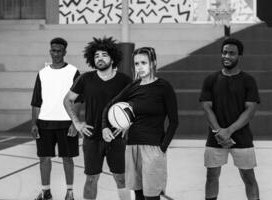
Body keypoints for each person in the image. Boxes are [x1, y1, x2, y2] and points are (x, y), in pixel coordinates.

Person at [101, 47, 179, 200]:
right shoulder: (133, 87)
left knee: (151, 196)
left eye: (144, 62)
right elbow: (109, 105)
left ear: (153, 63)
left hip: (154, 148)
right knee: (138, 195)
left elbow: (174, 121)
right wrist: (105, 127)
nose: (140, 67)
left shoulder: (163, 87)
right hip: (132, 147)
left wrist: (162, 148)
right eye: (136, 64)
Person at [63, 37, 132, 200]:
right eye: (96, 56)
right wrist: (77, 123)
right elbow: (67, 100)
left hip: (116, 137)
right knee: (91, 178)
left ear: (112, 58)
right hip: (92, 137)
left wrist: (127, 125)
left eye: (104, 55)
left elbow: (135, 105)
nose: (100, 58)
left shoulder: (124, 80)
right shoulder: (86, 79)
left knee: (121, 178)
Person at [199, 38, 260, 200]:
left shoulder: (248, 80)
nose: (227, 56)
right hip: (215, 137)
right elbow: (206, 107)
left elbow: (250, 110)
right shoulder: (211, 79)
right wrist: (219, 131)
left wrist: (229, 131)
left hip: (242, 137)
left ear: (239, 55)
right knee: (211, 176)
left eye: (232, 53)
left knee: (249, 178)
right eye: (224, 52)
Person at [31, 37, 80, 200]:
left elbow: (79, 100)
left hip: (66, 123)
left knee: (68, 158)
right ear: (50, 51)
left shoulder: (73, 71)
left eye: (59, 51)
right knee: (44, 158)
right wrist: (34, 124)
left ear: (65, 52)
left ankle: (70, 192)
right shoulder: (42, 73)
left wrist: (75, 122)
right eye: (53, 50)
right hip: (44, 122)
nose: (56, 54)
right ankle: (46, 191)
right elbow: (36, 102)